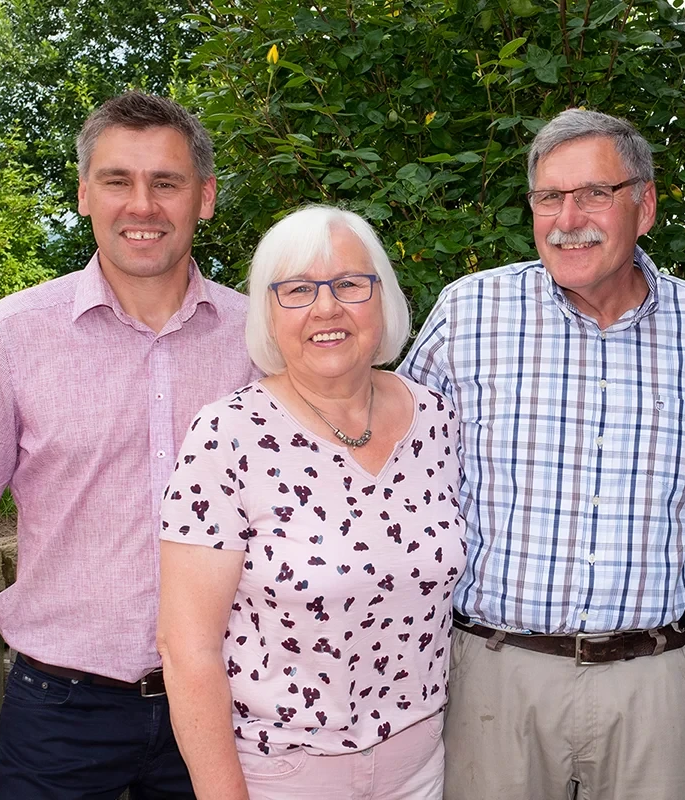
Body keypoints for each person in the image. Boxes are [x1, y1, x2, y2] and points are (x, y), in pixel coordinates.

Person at [0, 92, 258, 800]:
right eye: (117, 180)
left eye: (166, 182)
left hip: (229, 707)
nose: (143, 204)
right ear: (83, 195)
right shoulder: (11, 336)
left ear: (205, 198)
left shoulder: (260, 340)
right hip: (60, 720)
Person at [400, 109, 685, 800]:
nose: (566, 217)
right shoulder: (470, 313)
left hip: (658, 681)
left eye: (592, 194)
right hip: (497, 677)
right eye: (548, 197)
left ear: (643, 205)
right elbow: (394, 471)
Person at [156, 205, 465, 800]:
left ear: (384, 299)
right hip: (281, 776)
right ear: (268, 316)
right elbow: (186, 647)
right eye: (297, 290)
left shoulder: (436, 418)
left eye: (350, 284)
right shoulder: (228, 435)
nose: (327, 308)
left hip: (422, 769)